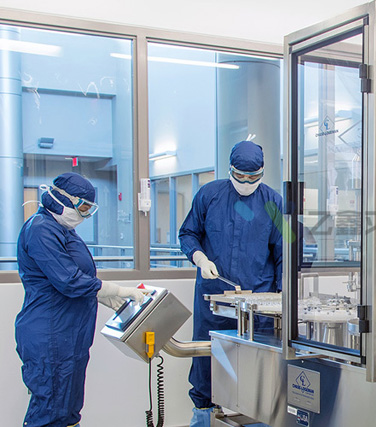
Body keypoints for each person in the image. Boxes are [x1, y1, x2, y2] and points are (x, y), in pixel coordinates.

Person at [15, 172, 147, 427]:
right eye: (83, 208)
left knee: (68, 410)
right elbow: (68, 280)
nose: (84, 215)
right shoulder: (40, 229)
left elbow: (80, 275)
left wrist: (106, 297)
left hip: (70, 334)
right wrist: (118, 290)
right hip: (50, 332)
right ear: (63, 199)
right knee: (50, 410)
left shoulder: (64, 229)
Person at [179, 140, 283, 427]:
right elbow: (188, 233)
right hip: (214, 298)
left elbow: (286, 249)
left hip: (258, 303)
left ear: (262, 172)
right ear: (230, 169)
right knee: (206, 360)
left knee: (258, 366)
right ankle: (203, 417)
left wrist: (283, 294)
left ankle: (260, 418)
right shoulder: (209, 195)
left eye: (253, 177)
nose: (246, 182)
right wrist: (200, 258)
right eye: (240, 176)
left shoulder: (274, 202)